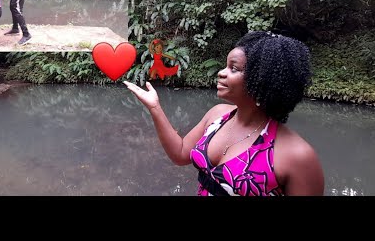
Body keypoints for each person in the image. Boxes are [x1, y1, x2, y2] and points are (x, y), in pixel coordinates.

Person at [124, 31, 324, 196]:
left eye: (233, 68)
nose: (221, 72)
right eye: (226, 65)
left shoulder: (298, 156)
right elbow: (181, 153)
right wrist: (155, 108)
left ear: (262, 81)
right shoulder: (217, 116)